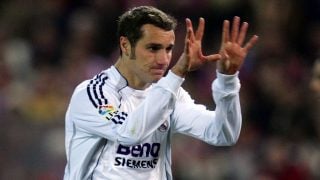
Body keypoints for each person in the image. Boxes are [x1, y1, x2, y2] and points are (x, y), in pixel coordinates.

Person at [63, 6, 258, 180]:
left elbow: (223, 134)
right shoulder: (92, 94)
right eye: (153, 48)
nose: (164, 59)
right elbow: (129, 133)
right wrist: (177, 73)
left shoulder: (170, 94)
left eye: (169, 49)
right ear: (125, 45)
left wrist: (227, 79)